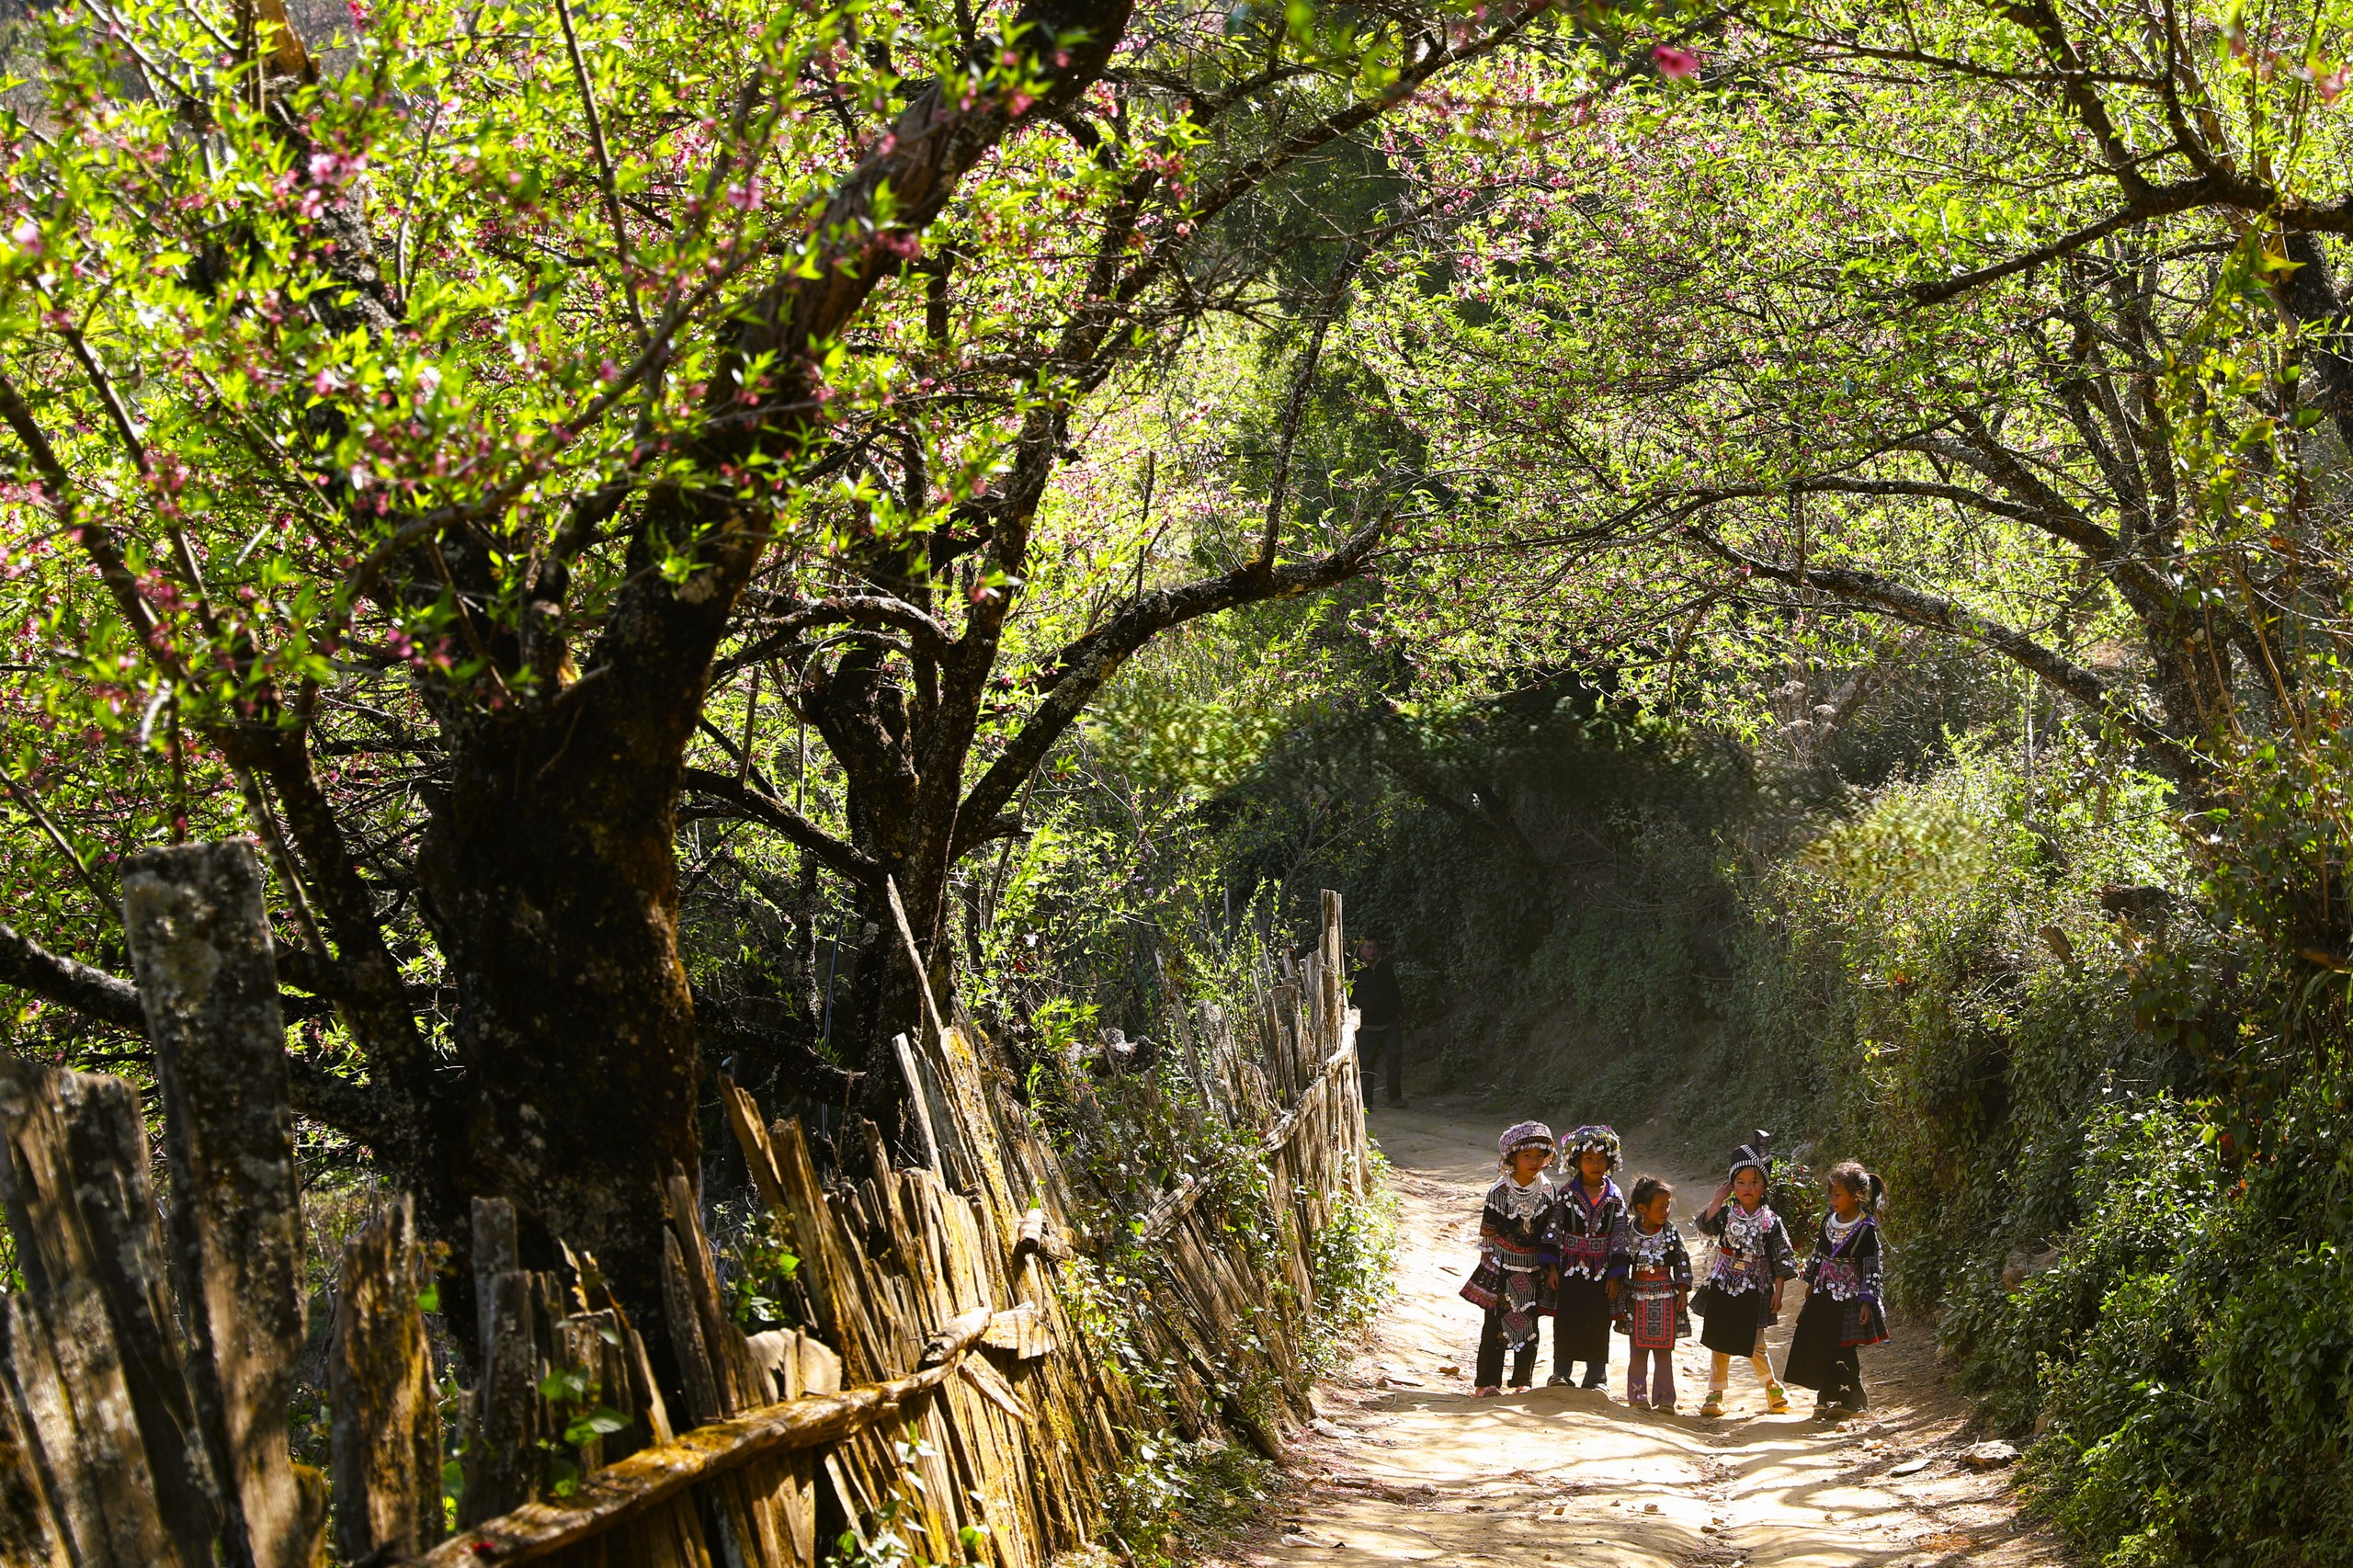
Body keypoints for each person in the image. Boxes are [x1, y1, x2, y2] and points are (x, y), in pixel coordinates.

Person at [1692, 1132, 1798, 1417]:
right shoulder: (1726, 1214)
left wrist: (1778, 1291)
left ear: (1764, 1186)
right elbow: (1705, 1225)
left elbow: (1780, 1258)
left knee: (1755, 1342)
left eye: (1754, 1181)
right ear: (1732, 1185)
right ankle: (1715, 1393)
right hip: (1723, 1283)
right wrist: (1717, 1199)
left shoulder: (1771, 1221)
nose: (1748, 1187)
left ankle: (1772, 1387)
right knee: (1719, 1340)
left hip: (1755, 1287)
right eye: (1740, 1182)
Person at [1782, 1161, 1892, 1417]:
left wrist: (1867, 1301)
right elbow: (1819, 1253)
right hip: (1823, 1294)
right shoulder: (1828, 1222)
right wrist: (1811, 1282)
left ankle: (1853, 1401)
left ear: (1857, 1195)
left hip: (1850, 1298)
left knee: (1843, 1346)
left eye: (1838, 1194)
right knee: (1820, 1343)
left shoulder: (1866, 1229)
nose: (1833, 1200)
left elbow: (1871, 1266)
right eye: (1831, 1194)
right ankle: (1825, 1398)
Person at [1461, 1120, 1558, 1394]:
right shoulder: (1499, 1192)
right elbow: (1488, 1232)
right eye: (1527, 1155)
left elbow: (1551, 1233)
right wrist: (1489, 1268)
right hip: (1501, 1266)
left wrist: (1550, 1267)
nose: (1534, 1161)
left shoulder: (1549, 1191)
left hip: (1534, 1269)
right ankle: (1486, 1382)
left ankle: (1522, 1381)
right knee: (1494, 1325)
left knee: (1529, 1324)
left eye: (1539, 1155)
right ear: (1512, 1158)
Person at [1549, 1125, 1626, 1391]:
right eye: (1589, 1158)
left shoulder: (1615, 1197)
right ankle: (1560, 1373)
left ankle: (1596, 1377)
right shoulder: (1567, 1193)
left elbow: (1619, 1235)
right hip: (1568, 1268)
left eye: (1601, 1158)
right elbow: (1554, 1229)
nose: (1595, 1164)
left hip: (1601, 1271)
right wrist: (1551, 1267)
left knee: (1599, 1321)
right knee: (1566, 1319)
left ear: (1610, 1161)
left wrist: (1615, 1275)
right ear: (1576, 1161)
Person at [1611, 1175, 1692, 1412]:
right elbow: (1620, 1261)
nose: (1666, 1211)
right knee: (1638, 1351)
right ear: (1642, 1208)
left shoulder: (1670, 1232)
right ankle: (1638, 1397)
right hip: (1637, 1299)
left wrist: (1682, 1292)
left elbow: (1682, 1260)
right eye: (1660, 1207)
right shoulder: (1629, 1232)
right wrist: (1620, 1290)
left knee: (1664, 1351)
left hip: (1666, 1298)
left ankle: (1665, 1399)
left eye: (1667, 1206)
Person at [1348, 937, 1405, 1107]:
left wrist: (1400, 1013)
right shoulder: (1354, 971)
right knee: (1366, 1064)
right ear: (1361, 950)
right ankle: (1366, 1102)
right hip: (1365, 1026)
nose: (1371, 951)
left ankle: (1395, 1097)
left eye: (1374, 947)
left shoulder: (1386, 968)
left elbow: (1395, 991)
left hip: (1389, 1023)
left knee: (1394, 1058)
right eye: (1368, 947)